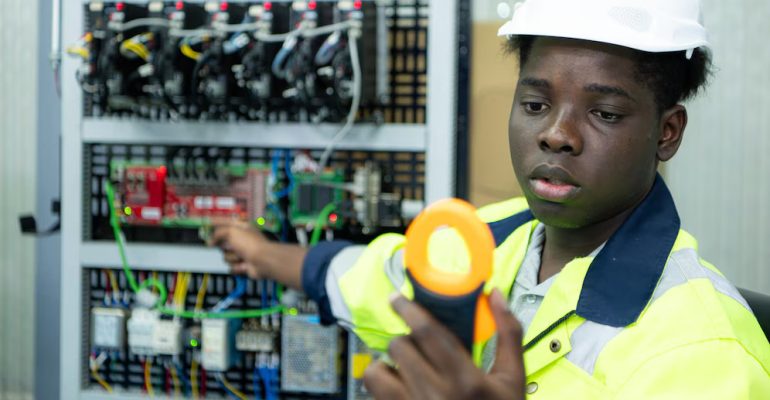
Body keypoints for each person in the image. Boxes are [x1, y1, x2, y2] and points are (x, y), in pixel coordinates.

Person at [211, 0, 770, 398]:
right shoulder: (487, 237)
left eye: (604, 113)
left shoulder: (703, 352)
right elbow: (373, 276)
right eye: (535, 104)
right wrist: (259, 254)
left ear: (667, 132)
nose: (556, 134)